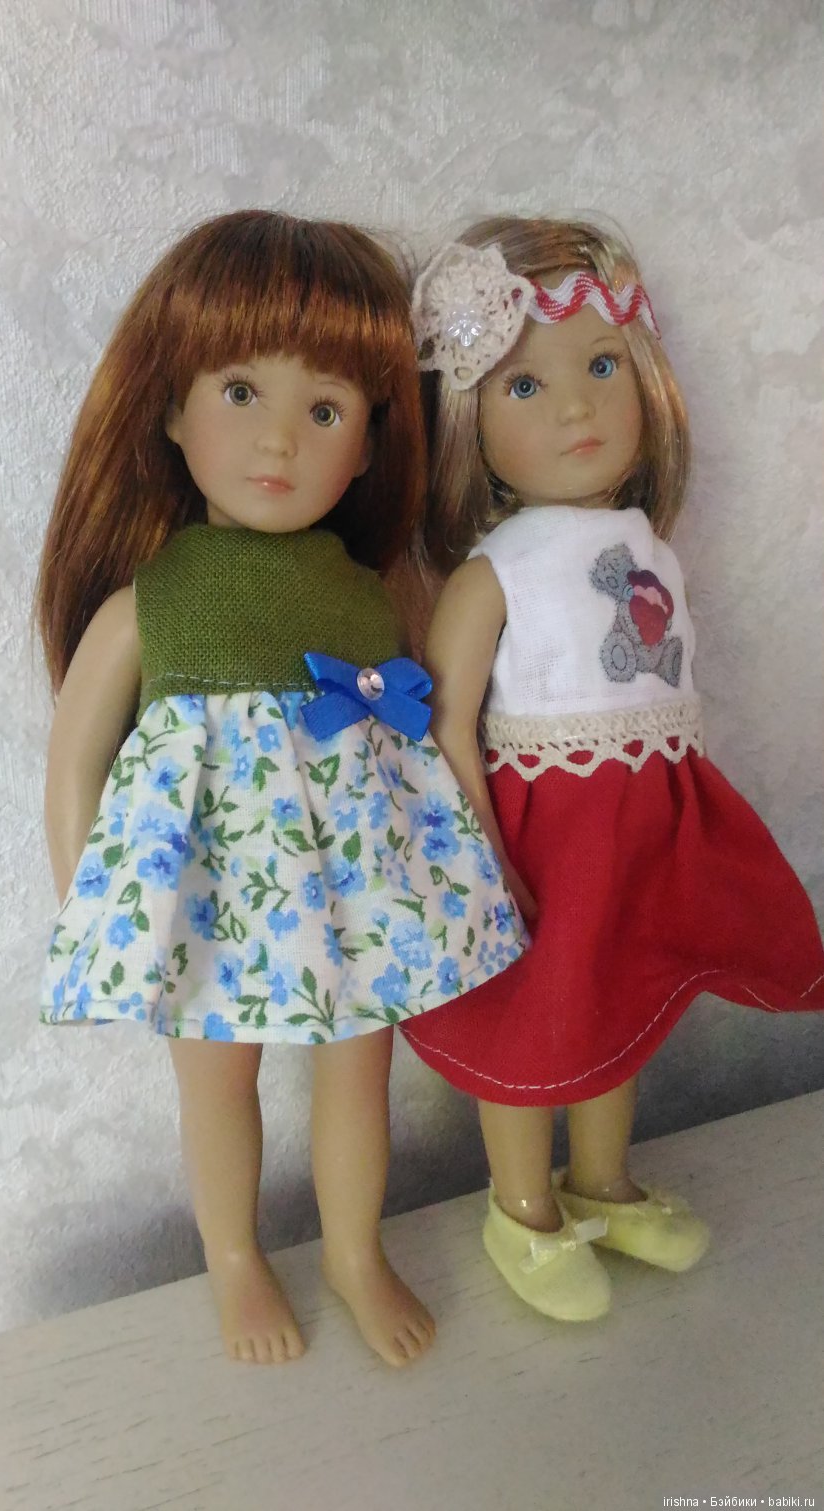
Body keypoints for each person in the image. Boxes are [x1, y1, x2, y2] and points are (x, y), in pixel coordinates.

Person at [36, 210, 526, 1366]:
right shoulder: (152, 603)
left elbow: (417, 738)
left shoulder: (371, 593)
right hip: (210, 903)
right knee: (218, 1079)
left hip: (354, 892)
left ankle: (353, 1249)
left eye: (325, 409)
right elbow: (75, 761)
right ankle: (234, 1256)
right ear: (170, 410)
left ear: (367, 444)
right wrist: (103, 916)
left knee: (360, 1068)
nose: (278, 440)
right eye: (241, 391)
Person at [401, 217, 824, 1322]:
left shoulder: (650, 547)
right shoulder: (491, 574)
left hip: (643, 825)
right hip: (542, 840)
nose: (576, 408)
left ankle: (604, 1180)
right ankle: (522, 1207)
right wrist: (481, 859)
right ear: (469, 422)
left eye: (600, 367)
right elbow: (448, 726)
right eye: (525, 386)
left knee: (618, 1002)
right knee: (530, 1020)